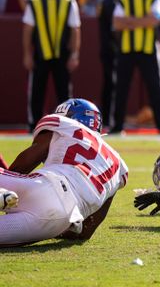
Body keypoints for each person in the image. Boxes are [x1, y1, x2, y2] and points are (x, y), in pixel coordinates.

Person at [0, 99, 128, 246]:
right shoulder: (119, 165)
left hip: (48, 186)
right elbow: (86, 231)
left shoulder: (66, 126)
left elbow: (21, 167)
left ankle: (3, 196)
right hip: (61, 221)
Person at [111, 0, 160, 133]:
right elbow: (117, 23)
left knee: (156, 88)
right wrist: (142, 21)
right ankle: (117, 127)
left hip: (148, 48)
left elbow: (155, 20)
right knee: (121, 88)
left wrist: (130, 21)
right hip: (126, 49)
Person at [22, 0, 81, 131]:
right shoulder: (34, 2)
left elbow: (76, 29)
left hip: (62, 53)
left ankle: (66, 125)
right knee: (37, 90)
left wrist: (74, 54)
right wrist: (27, 54)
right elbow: (28, 29)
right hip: (41, 53)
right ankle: (34, 124)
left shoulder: (68, 1)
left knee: (64, 91)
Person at [97, 0, 125, 122]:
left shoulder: (114, 0)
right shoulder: (110, 2)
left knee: (111, 84)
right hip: (112, 49)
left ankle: (108, 116)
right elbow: (115, 30)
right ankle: (109, 117)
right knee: (112, 83)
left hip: (110, 48)